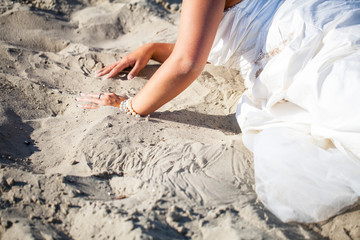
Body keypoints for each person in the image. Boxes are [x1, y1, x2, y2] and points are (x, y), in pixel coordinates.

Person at [76, 0, 360, 223]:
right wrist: (152, 48)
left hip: (300, 41)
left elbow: (188, 63)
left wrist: (128, 105)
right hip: (327, 15)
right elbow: (207, 39)